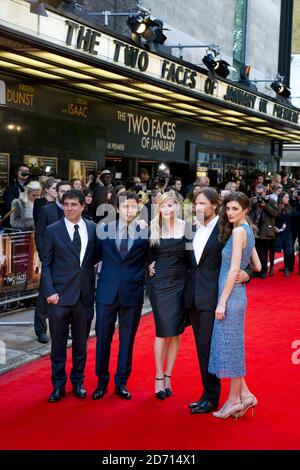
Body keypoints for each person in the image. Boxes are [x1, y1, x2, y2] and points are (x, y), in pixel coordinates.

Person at [184, 188, 251, 414]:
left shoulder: (225, 231)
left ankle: (212, 397)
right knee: (201, 348)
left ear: (214, 205)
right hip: (192, 296)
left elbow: (242, 258)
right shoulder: (190, 228)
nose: (198, 207)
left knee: (208, 348)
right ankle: (216, 394)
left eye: (203, 203)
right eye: (196, 203)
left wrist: (246, 274)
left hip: (214, 298)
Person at [42, 189, 100, 403]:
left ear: (83, 206)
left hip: (84, 297)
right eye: (66, 204)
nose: (69, 208)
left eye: (74, 204)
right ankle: (58, 386)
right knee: (57, 346)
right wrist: (50, 292)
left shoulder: (93, 229)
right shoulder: (52, 230)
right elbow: (45, 264)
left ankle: (78, 383)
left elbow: (96, 257)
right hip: (58, 297)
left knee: (80, 346)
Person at [208, 192, 261, 419]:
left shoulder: (239, 232)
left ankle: (233, 401)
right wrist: (247, 276)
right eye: (228, 208)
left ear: (245, 210)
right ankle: (246, 395)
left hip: (230, 297)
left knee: (230, 349)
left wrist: (221, 303)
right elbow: (256, 266)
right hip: (236, 295)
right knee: (231, 347)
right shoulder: (247, 230)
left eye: (235, 209)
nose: (229, 213)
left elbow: (232, 270)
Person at [93, 192, 149, 401]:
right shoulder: (103, 230)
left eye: (133, 207)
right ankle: (101, 382)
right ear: (117, 208)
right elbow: (93, 256)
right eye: (125, 206)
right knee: (102, 340)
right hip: (106, 292)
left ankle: (121, 382)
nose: (129, 210)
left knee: (127, 341)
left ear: (138, 209)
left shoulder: (146, 232)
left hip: (132, 293)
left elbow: (153, 258)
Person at [148, 193, 186, 399]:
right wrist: (149, 262)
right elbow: (147, 252)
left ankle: (169, 375)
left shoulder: (188, 227)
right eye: (163, 206)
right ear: (158, 209)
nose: (168, 210)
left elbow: (193, 255)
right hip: (160, 284)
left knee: (176, 332)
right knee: (162, 331)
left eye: (171, 205)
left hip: (181, 282)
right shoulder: (153, 228)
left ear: (177, 206)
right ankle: (158, 376)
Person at [34, 181, 72, 344]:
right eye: (62, 191)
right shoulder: (46, 210)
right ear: (56, 192)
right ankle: (41, 330)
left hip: (68, 261)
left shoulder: (73, 210)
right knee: (44, 296)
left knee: (68, 297)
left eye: (67, 191)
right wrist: (44, 257)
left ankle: (65, 329)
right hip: (50, 260)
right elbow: (39, 235)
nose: (64, 193)